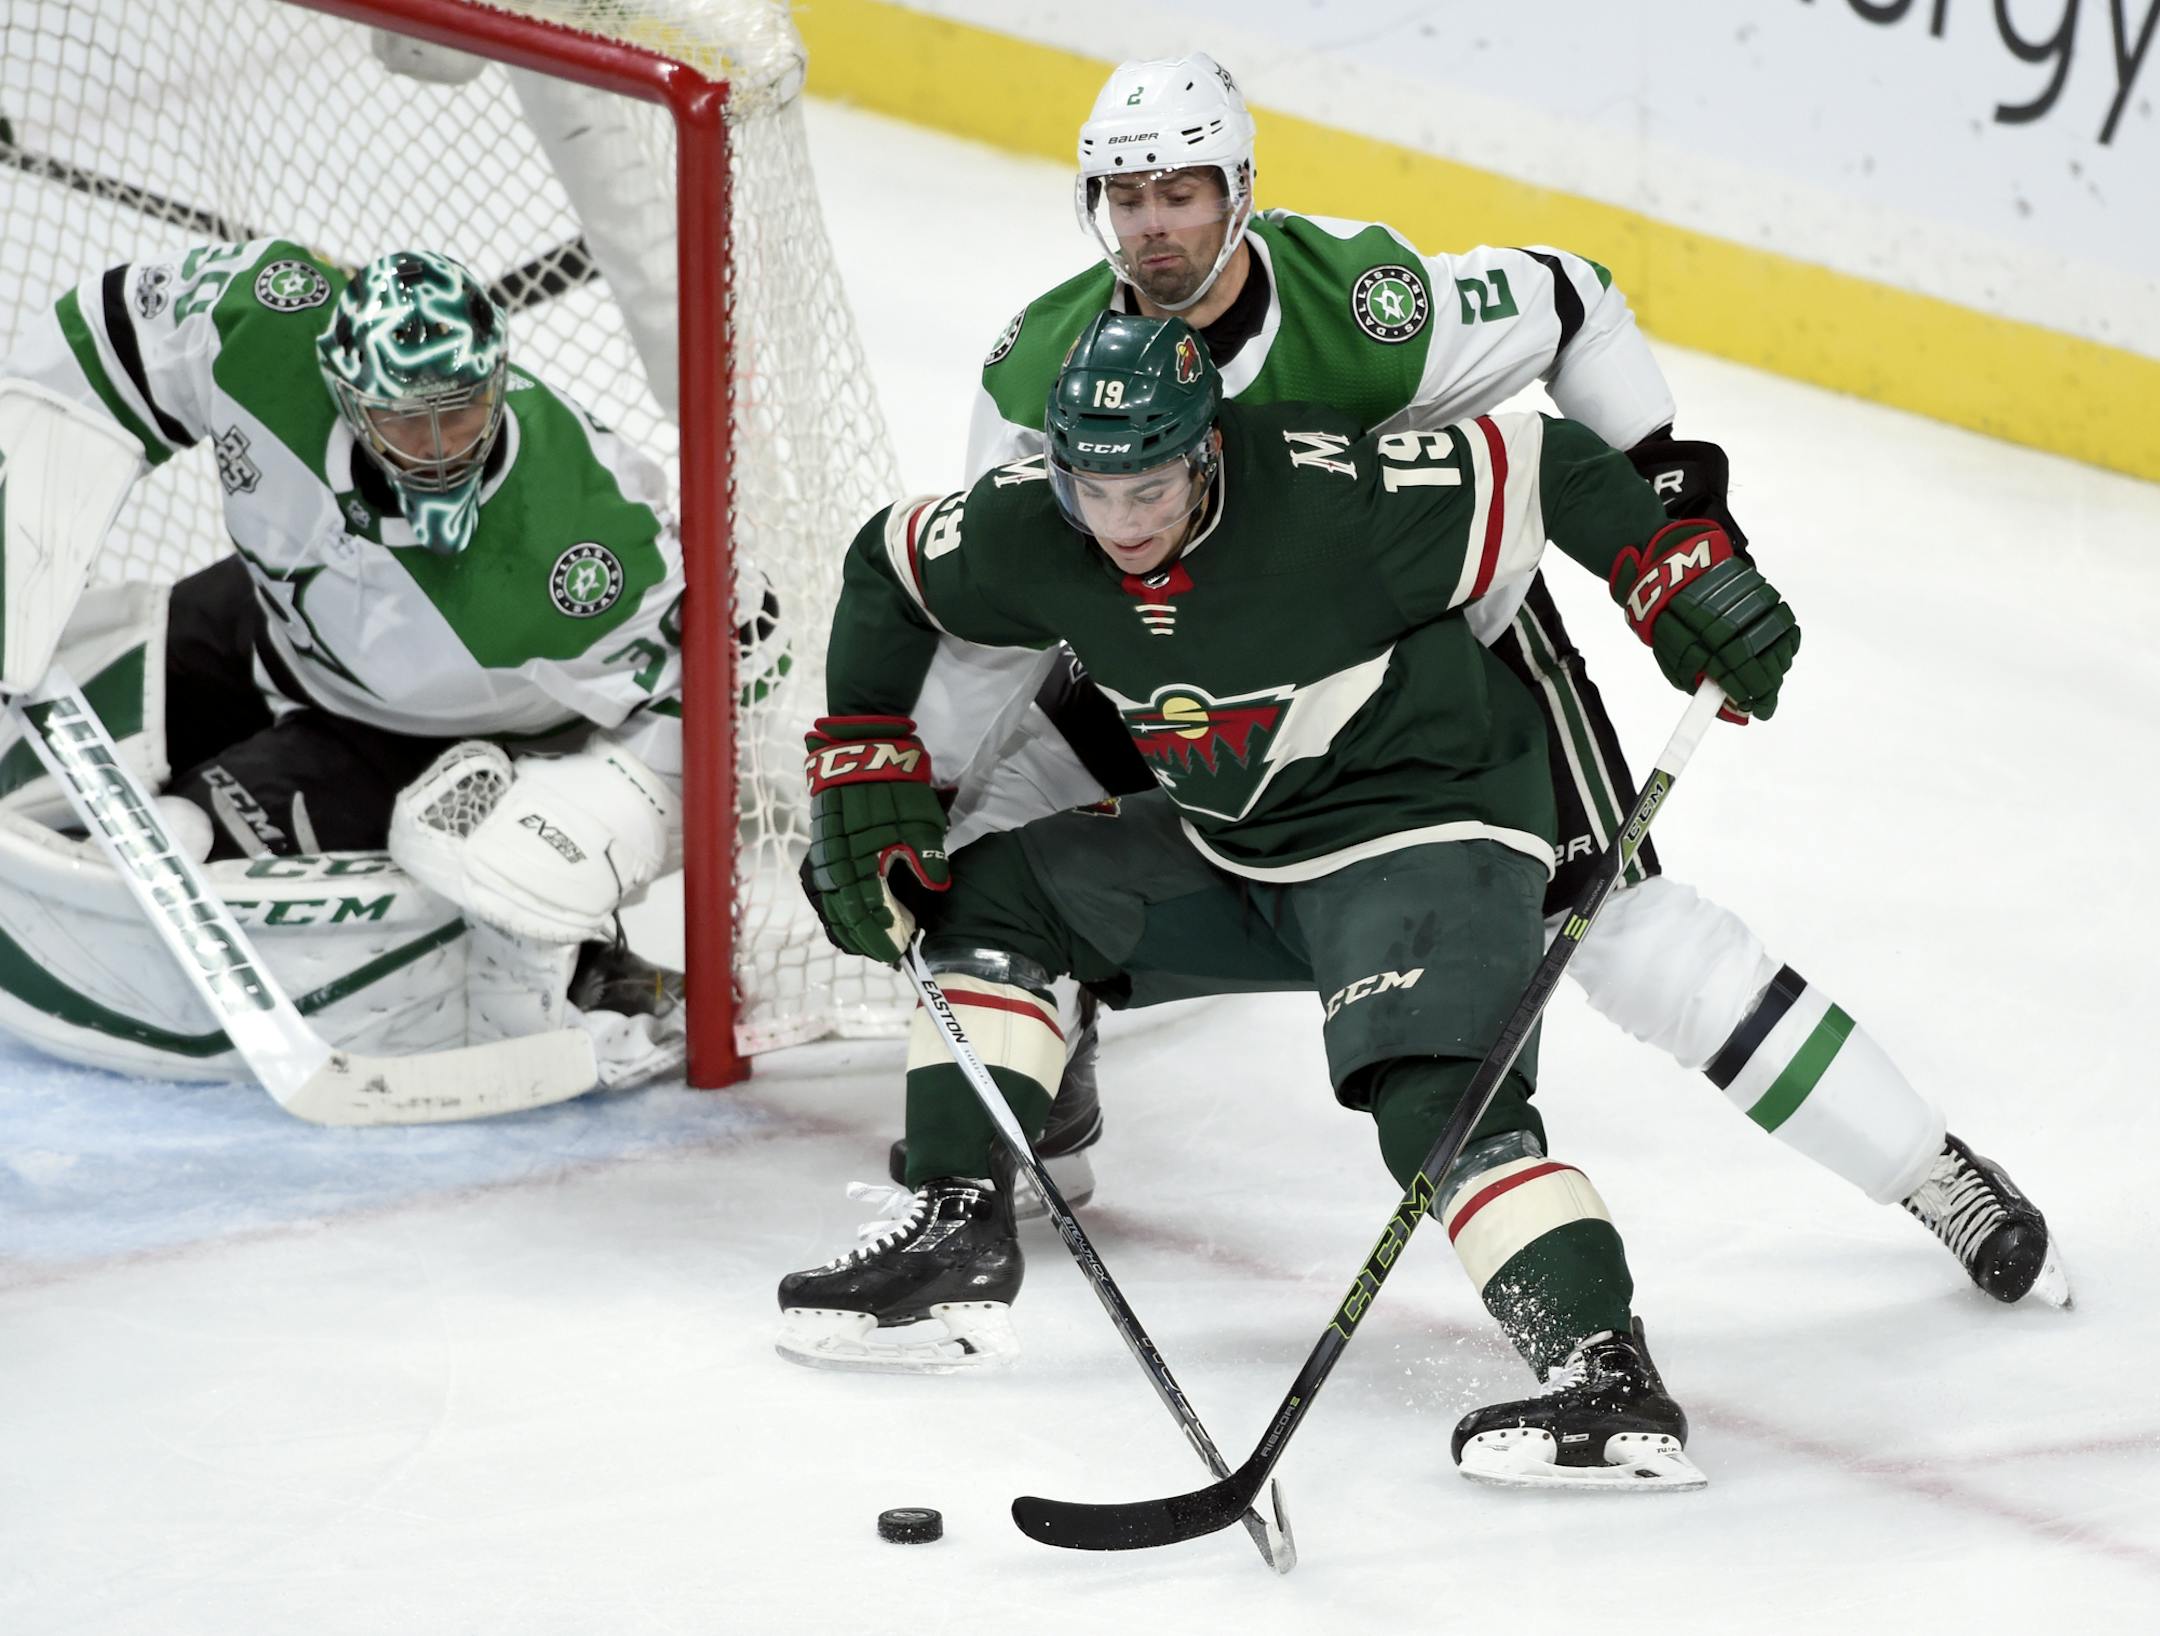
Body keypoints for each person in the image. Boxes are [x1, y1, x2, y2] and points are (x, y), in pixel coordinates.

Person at [883, 52, 2064, 1307]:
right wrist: (921, 783)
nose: (1154, 226)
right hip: (1180, 675)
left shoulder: (1371, 304)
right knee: (968, 838)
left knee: (1625, 932)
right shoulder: (1045, 368)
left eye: (1181, 192)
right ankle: (1045, 1077)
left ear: (1240, 191)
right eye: (1128, 198)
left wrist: (1667, 502)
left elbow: (1573, 302)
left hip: (1431, 691)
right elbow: (1003, 606)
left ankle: (1933, 1170)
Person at [779, 312, 1799, 1489]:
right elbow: (890, 565)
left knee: (1434, 1099)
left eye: (1151, 487)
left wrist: (1670, 568)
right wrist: (864, 749)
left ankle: (1605, 1381)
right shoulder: (1032, 523)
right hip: (1241, 842)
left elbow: (1551, 463)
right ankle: (957, 1229)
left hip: (1427, 824)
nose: (1122, 524)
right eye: (1093, 489)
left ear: (1206, 450)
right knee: (992, 898)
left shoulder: (1336, 498)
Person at [0, 239, 686, 1086]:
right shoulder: (265, 324)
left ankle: (582, 967)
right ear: (347, 395)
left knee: (187, 847)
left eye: (462, 409)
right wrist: (31, 491)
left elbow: (722, 684)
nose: (439, 447)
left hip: (407, 736)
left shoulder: (587, 546)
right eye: (405, 418)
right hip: (265, 622)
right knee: (22, 729)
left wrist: (590, 816)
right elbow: (118, 339)